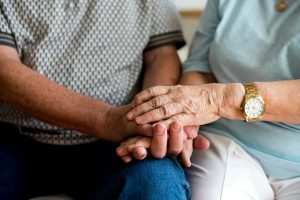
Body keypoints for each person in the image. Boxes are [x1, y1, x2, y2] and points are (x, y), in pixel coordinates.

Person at [0, 1, 210, 199]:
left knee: (157, 184)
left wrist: (155, 123)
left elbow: (161, 56)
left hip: (120, 142)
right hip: (15, 136)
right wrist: (107, 120)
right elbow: (3, 70)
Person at [120, 0, 300, 199]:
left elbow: (213, 98)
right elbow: (199, 68)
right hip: (227, 142)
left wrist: (219, 100)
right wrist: (178, 126)